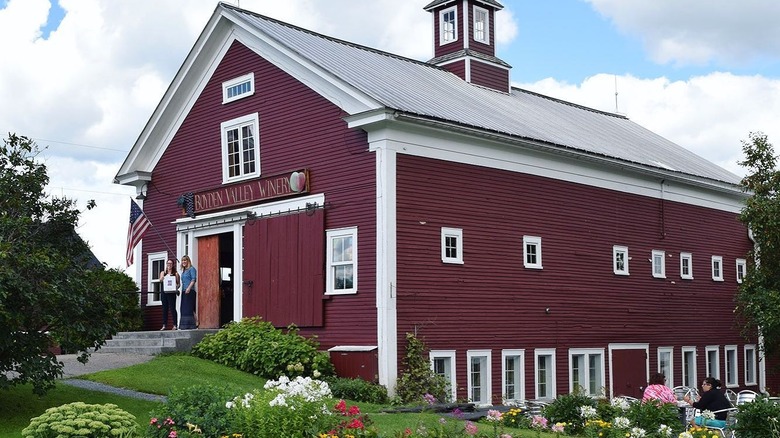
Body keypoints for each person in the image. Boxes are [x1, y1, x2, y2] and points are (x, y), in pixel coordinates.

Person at [159, 258, 180, 330]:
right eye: (168, 263)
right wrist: (162, 278)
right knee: (165, 308)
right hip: (164, 292)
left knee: (172, 308)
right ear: (166, 264)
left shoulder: (176, 274)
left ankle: (175, 325)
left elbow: (178, 284)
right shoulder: (163, 272)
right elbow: (160, 280)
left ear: (173, 264)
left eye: (170, 263)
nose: (169, 265)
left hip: (171, 293)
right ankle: (164, 325)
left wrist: (175, 286)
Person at [178, 255, 198, 330]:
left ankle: (194, 323)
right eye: (183, 260)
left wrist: (189, 288)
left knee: (189, 308)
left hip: (190, 290)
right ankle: (187, 324)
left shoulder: (191, 269)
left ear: (188, 261)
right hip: (184, 290)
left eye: (185, 260)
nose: (184, 262)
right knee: (185, 308)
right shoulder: (183, 271)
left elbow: (193, 279)